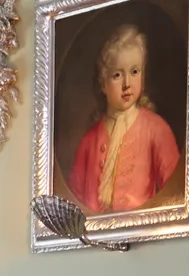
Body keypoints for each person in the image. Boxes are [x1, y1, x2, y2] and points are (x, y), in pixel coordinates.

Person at [64, 23, 181, 213]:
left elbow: (175, 192)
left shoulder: (156, 129)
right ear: (103, 83)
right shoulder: (89, 141)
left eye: (134, 72)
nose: (127, 84)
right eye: (117, 75)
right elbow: (73, 204)